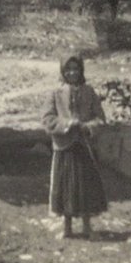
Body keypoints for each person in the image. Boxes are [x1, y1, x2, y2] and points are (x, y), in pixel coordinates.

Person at [42, 55, 108, 239]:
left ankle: (87, 226)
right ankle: (67, 227)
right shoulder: (56, 93)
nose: (72, 73)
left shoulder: (89, 92)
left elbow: (101, 118)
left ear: (81, 71)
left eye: (76, 69)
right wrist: (67, 124)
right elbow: (47, 119)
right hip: (65, 147)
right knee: (66, 187)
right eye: (68, 69)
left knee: (86, 186)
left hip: (84, 146)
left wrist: (89, 126)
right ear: (63, 72)